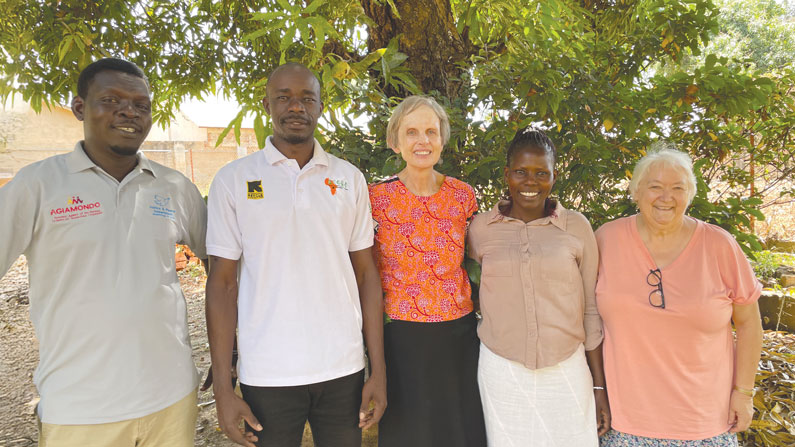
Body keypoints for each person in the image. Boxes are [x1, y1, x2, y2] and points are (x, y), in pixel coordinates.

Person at [0, 58, 208, 446]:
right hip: (79, 409)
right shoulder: (38, 185)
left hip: (172, 397)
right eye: (111, 100)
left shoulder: (174, 187)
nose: (129, 112)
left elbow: (220, 262)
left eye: (140, 105)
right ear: (80, 107)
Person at [205, 62, 386, 447]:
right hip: (268, 373)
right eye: (284, 97)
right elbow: (221, 285)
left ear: (321, 106)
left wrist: (378, 368)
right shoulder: (233, 180)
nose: (296, 107)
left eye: (307, 98)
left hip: (343, 368)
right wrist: (223, 388)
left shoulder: (348, 178)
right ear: (268, 105)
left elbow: (367, 275)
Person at [595, 143, 763, 446]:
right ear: (636, 191)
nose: (666, 197)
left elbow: (750, 323)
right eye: (655, 186)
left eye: (677, 187)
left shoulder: (719, 245)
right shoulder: (606, 239)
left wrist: (744, 392)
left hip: (706, 422)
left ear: (690, 194)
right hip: (625, 422)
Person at [467, 128, 610, 446]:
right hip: (502, 370)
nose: (530, 182)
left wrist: (598, 387)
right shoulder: (480, 230)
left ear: (554, 176)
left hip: (566, 368)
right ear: (507, 174)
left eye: (540, 173)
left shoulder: (576, 227)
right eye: (520, 172)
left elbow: (590, 310)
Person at [369, 95, 487, 447]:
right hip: (402, 335)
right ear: (396, 142)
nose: (423, 141)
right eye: (412, 132)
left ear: (442, 139)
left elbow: (478, 256)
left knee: (459, 426)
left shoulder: (463, 196)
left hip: (459, 332)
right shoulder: (376, 198)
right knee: (411, 429)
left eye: (431, 132)